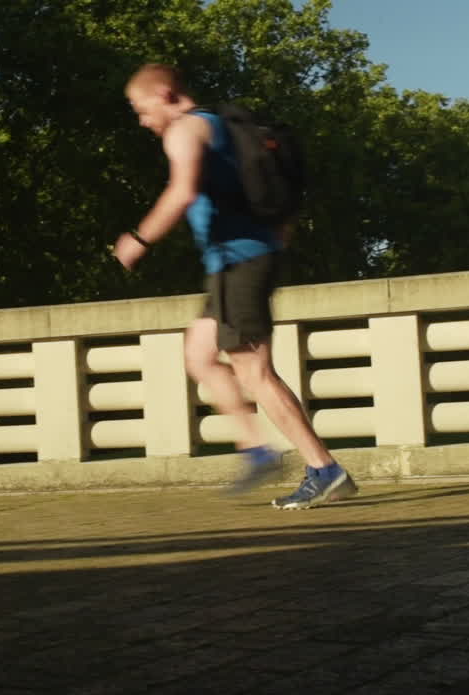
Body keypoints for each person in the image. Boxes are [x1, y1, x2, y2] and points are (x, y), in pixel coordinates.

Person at [113, 63, 357, 509]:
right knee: (200, 355)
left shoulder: (185, 130)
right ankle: (259, 451)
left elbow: (182, 192)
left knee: (255, 372)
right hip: (238, 262)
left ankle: (324, 469)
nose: (141, 121)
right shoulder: (219, 123)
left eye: (140, 109)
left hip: (238, 263)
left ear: (163, 94)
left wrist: (139, 238)